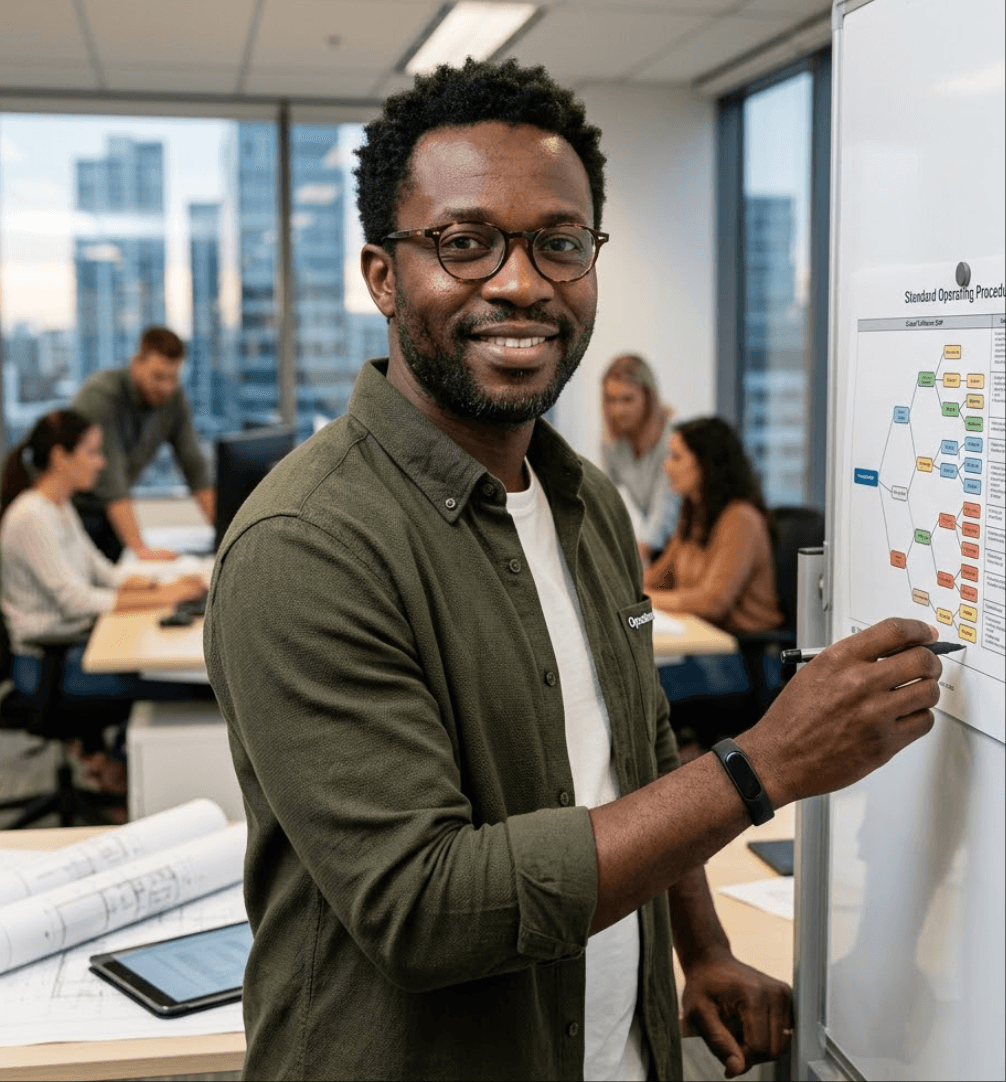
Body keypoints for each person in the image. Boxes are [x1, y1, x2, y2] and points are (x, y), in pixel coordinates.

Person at [205, 59, 942, 1082]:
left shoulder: (586, 501)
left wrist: (702, 948)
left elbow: (636, 750)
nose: (520, 283)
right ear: (382, 275)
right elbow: (425, 908)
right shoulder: (306, 544)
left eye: (558, 243)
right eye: (464, 243)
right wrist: (760, 765)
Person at [0, 410, 210, 789]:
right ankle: (120, 773)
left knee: (163, 672)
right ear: (60, 457)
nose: (101, 462)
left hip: (72, 648)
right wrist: (165, 597)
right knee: (184, 686)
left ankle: (116, 767)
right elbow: (76, 600)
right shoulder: (31, 516)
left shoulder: (59, 507)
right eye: (92, 452)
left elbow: (104, 573)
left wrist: (159, 585)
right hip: (47, 666)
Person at [644, 417, 783, 756]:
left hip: (746, 659)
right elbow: (654, 579)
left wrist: (646, 598)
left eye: (677, 457)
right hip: (709, 652)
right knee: (635, 684)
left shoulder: (740, 518)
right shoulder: (694, 515)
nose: (667, 465)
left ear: (705, 464)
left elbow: (712, 602)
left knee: (644, 693)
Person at [71, 325, 215, 563]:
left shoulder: (173, 400)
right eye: (158, 377)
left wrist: (228, 534)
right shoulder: (102, 396)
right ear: (136, 363)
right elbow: (111, 479)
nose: (166, 387)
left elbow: (194, 466)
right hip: (74, 509)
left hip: (111, 513)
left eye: (173, 378)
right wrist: (142, 551)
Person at [600, 353, 680, 561]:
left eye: (627, 399)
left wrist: (639, 555)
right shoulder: (611, 443)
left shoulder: (672, 440)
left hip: (672, 547)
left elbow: (665, 509)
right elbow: (612, 500)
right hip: (637, 546)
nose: (618, 410)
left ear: (648, 397)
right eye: (611, 400)